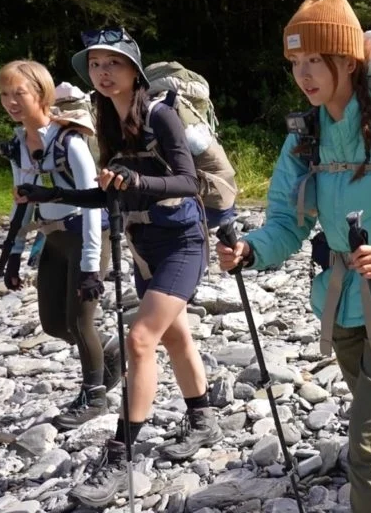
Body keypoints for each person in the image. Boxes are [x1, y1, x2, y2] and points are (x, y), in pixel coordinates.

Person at [214, 0, 371, 513]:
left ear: (348, 60)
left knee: (365, 441)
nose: (304, 74)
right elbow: (285, 222)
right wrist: (251, 250)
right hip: (339, 303)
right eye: (296, 62)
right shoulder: (304, 138)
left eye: (316, 60)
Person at [17, 28, 221, 508]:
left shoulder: (161, 115)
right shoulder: (107, 119)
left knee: (139, 340)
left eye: (113, 64)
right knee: (175, 336)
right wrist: (53, 195)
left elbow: (187, 181)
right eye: (95, 66)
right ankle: (203, 418)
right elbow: (108, 191)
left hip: (182, 241)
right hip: (143, 243)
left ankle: (121, 454)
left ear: (134, 69)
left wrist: (135, 178)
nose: (103, 73)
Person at [0, 59, 120, 430]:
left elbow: (92, 203)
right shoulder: (19, 145)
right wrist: (13, 257)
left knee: (79, 321)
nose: (11, 102)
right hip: (52, 237)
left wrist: (88, 268)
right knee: (53, 324)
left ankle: (93, 396)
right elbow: (22, 201)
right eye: (5, 94)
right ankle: (111, 350)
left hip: (87, 235)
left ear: (41, 93)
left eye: (19, 92)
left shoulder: (70, 141)